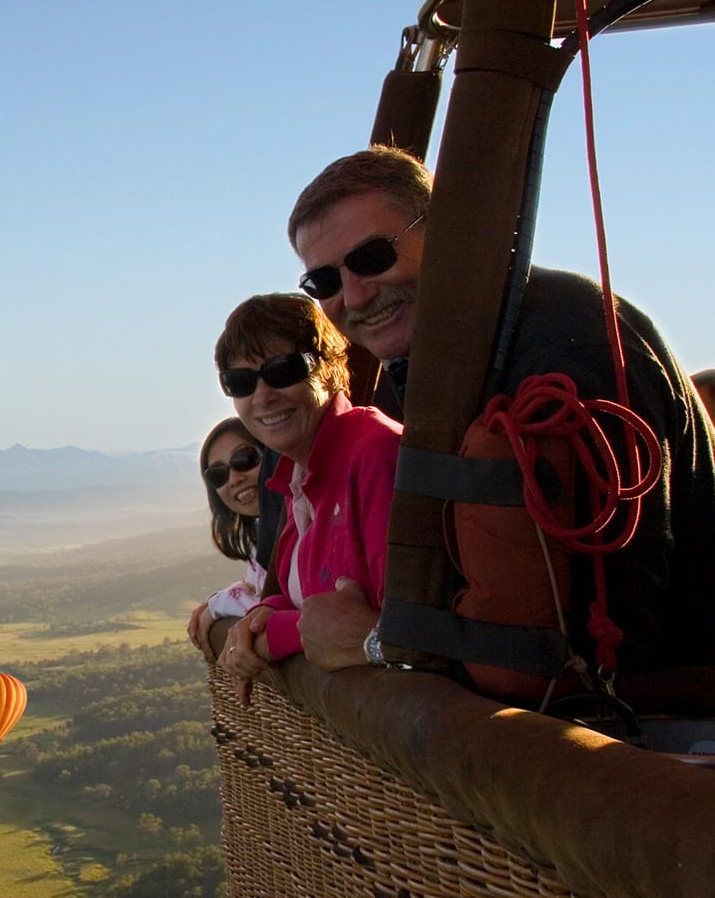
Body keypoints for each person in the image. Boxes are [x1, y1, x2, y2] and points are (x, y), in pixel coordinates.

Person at [287, 145, 715, 684]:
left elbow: (610, 611)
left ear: (449, 230)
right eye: (322, 282)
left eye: (374, 257)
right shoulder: (429, 365)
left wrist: (382, 642)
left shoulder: (565, 345)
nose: (354, 293)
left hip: (664, 708)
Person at [214, 293, 403, 703]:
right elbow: (310, 595)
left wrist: (274, 638)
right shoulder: (298, 477)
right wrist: (261, 617)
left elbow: (397, 627)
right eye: (241, 382)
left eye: (282, 371)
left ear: (332, 368)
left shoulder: (374, 454)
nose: (262, 396)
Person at [187, 417, 268, 659]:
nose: (234, 479)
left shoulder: (304, 527)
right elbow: (256, 586)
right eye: (218, 475)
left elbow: (269, 605)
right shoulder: (263, 535)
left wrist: (215, 608)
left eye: (244, 459)